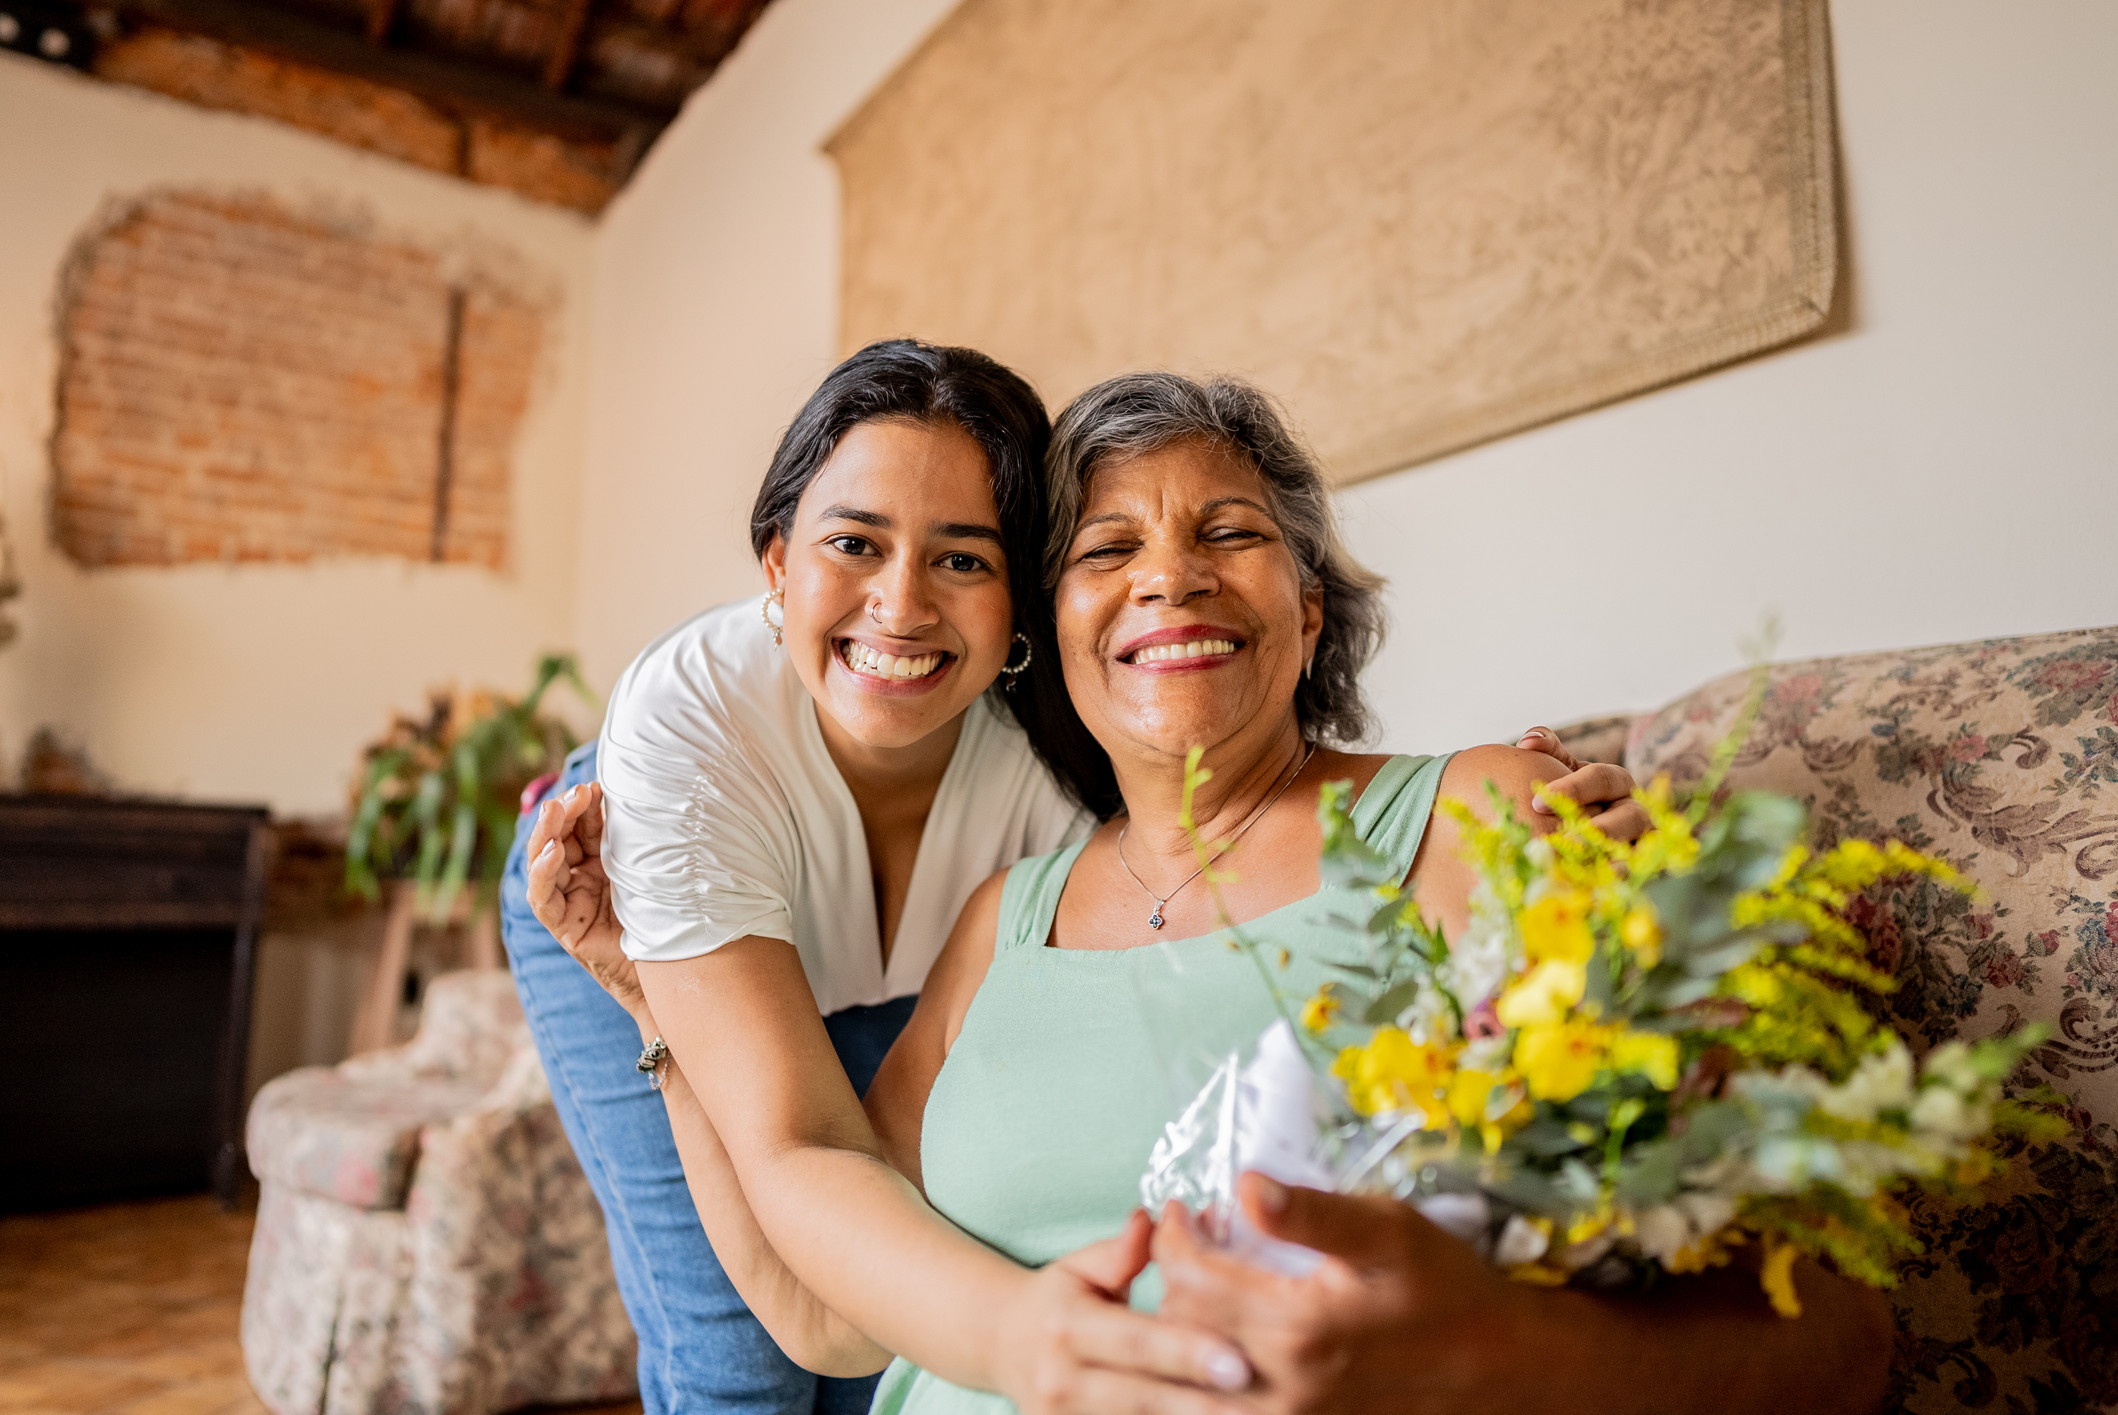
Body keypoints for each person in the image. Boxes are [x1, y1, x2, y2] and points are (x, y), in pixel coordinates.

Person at [532, 371, 1893, 1415]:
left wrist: (1497, 1351)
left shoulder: (1492, 819)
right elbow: (824, 1320)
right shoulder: (997, 919)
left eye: (1226, 531)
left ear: (1309, 605)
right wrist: (648, 1000)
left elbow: (1839, 1333)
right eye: (1105, 548)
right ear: (1040, 635)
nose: (1169, 573)